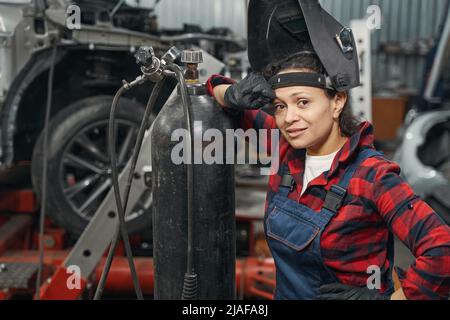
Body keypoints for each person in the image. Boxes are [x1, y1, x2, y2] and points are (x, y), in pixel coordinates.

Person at [205, 50, 450, 300]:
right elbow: (215, 87)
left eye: (303, 102)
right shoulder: (284, 147)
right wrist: (233, 94)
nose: (289, 118)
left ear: (337, 102)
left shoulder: (371, 176)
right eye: (280, 106)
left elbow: (442, 250)